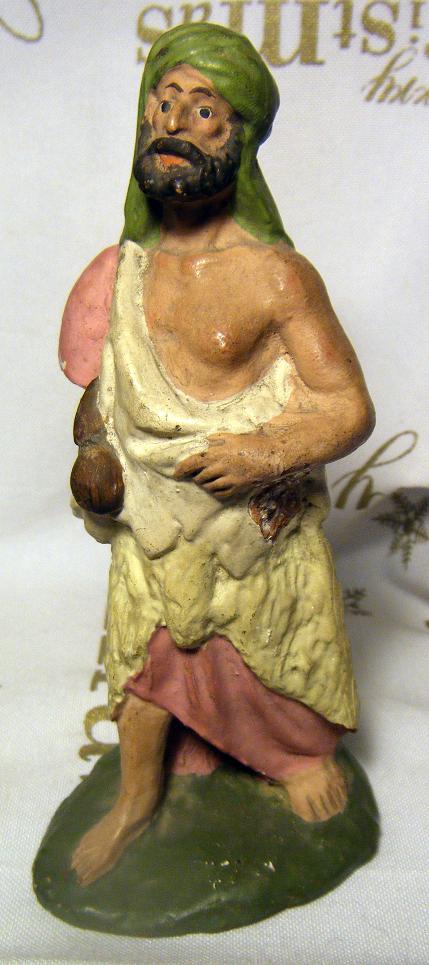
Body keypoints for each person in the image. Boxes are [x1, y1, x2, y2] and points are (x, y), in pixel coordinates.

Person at [59, 23, 375, 886]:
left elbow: (346, 406)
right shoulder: (121, 269)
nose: (174, 125)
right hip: (154, 522)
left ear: (239, 136)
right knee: (145, 666)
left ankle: (294, 757)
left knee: (265, 661)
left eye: (202, 111)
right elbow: (108, 382)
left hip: (244, 524)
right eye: (162, 104)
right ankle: (135, 800)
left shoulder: (275, 275)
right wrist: (94, 450)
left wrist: (265, 452)